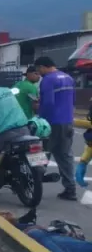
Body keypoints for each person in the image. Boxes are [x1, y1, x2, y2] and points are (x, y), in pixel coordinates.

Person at [35, 56, 78, 201]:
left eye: (38, 69)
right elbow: (73, 100)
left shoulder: (48, 80)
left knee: (40, 152)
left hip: (51, 122)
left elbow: (48, 103)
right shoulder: (68, 78)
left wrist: (40, 119)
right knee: (65, 155)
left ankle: (34, 183)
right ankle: (70, 189)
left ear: (43, 66)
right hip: (67, 121)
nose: (38, 73)